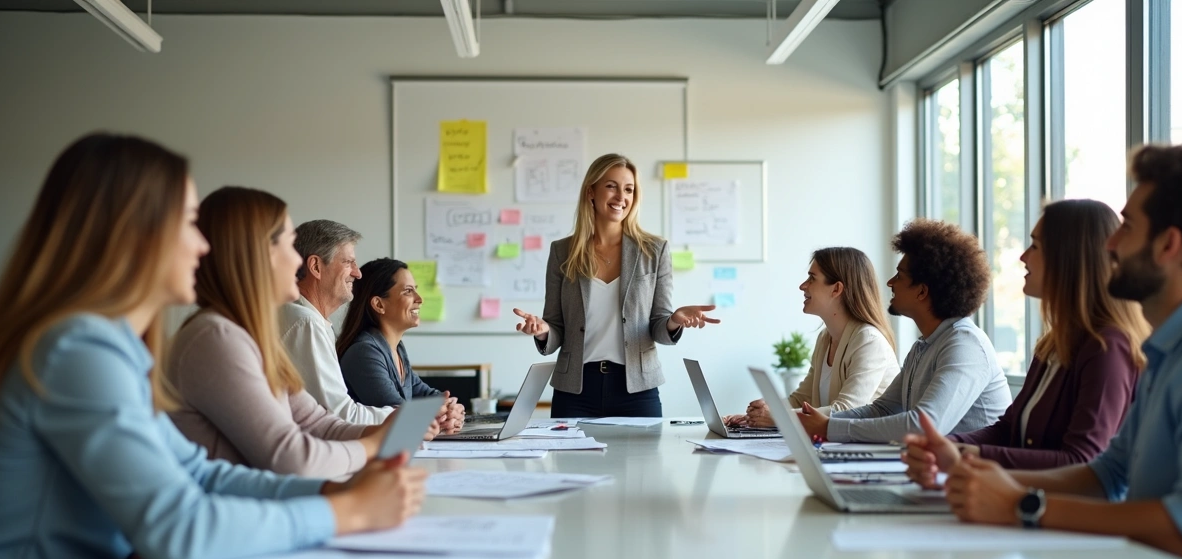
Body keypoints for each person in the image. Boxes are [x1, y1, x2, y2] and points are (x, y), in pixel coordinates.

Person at [0, 134, 426, 559]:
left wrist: (333, 489)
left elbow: (199, 473)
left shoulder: (113, 346)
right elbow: (177, 526)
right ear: (134, 233)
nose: (202, 244)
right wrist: (343, 512)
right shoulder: (77, 349)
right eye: (188, 223)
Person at [931, 143, 1182, 559]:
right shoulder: (1167, 350)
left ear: (1168, 244)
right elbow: (1107, 473)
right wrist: (979, 477)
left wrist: (1021, 505)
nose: (1110, 245)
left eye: (1127, 227)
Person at [166, 187, 427, 479]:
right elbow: (290, 456)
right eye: (290, 246)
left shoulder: (250, 335)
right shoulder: (217, 337)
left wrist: (391, 429)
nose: (297, 261)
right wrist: (375, 445)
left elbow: (320, 423)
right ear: (254, 256)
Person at [904, 199, 1148, 483]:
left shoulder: (1107, 348)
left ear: (1067, 258)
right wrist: (946, 446)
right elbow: (1009, 430)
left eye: (1035, 246)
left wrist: (965, 456)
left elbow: (1082, 461)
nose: (1023, 256)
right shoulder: (1053, 344)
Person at [511, 153, 719, 418]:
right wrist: (542, 330)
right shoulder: (562, 251)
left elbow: (658, 326)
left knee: (644, 461)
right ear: (591, 192)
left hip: (637, 391)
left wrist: (674, 320)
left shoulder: (654, 251)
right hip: (575, 391)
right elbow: (556, 330)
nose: (622, 197)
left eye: (629, 189)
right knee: (570, 461)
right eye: (611, 186)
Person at [795, 219, 1011, 443]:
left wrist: (829, 427)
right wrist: (821, 423)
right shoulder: (923, 346)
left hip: (973, 473)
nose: (890, 282)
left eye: (899, 275)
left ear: (921, 291)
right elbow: (883, 409)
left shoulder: (965, 345)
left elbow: (923, 426)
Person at [725, 247, 900, 427]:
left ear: (836, 289)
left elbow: (846, 410)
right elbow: (802, 400)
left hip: (868, 450)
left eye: (812, 278)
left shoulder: (868, 341)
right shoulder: (825, 338)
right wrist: (757, 416)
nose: (803, 286)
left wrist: (778, 417)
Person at [278, 220, 411, 428]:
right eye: (348, 262)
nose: (357, 273)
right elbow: (339, 415)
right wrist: (408, 419)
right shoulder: (306, 323)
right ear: (315, 267)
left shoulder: (306, 319)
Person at [336, 258, 465, 431]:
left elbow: (429, 397)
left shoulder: (396, 348)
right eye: (408, 291)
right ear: (379, 304)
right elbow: (397, 413)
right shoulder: (363, 352)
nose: (419, 299)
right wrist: (443, 417)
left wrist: (452, 409)